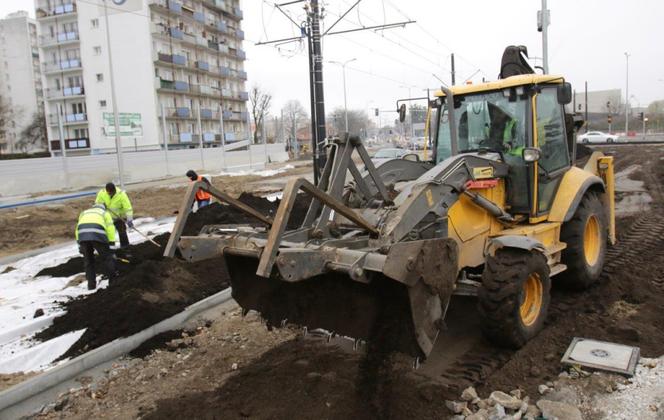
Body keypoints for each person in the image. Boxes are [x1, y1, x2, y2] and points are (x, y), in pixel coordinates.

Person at [75, 203, 117, 290]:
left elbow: (77, 229)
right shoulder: (104, 213)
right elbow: (110, 229)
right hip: (98, 234)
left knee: (88, 261)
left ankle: (91, 285)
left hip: (83, 235)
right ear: (104, 208)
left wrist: (79, 243)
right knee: (107, 258)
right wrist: (111, 244)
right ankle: (113, 282)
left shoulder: (84, 212)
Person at [95, 182, 133, 249]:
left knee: (122, 232)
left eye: (111, 192)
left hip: (117, 217)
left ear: (114, 190)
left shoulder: (121, 195)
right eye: (108, 192)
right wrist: (102, 205)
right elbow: (97, 205)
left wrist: (129, 220)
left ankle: (125, 247)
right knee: (106, 234)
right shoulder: (102, 193)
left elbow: (128, 208)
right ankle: (107, 249)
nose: (109, 194)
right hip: (106, 218)